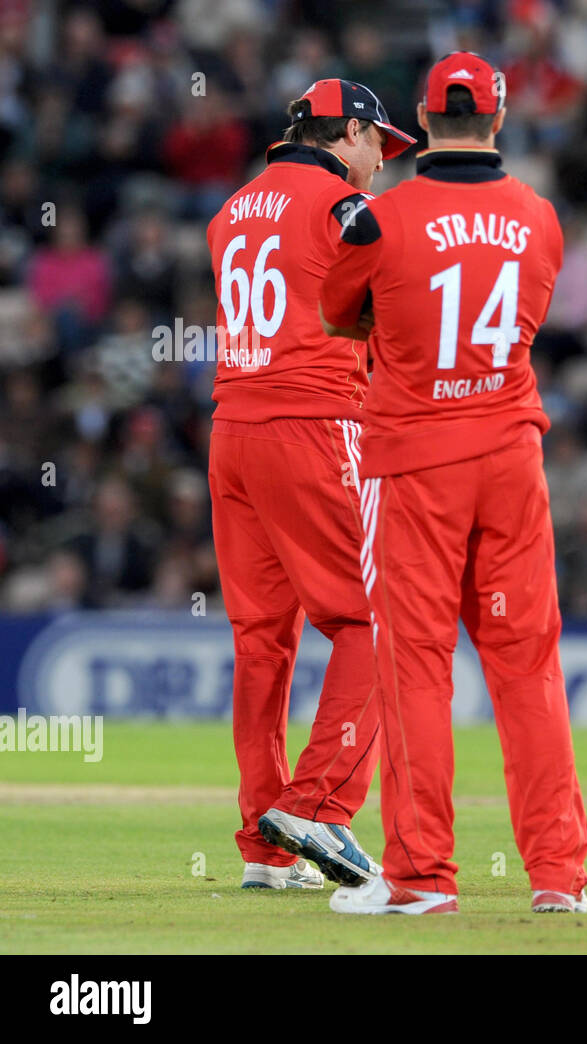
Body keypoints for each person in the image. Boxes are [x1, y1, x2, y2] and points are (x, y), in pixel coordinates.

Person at [320, 52, 587, 915]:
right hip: (510, 459)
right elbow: (528, 320)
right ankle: (558, 878)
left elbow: (336, 312)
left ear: (425, 119)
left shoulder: (377, 219)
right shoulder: (540, 218)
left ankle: (424, 878)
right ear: (499, 120)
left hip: (416, 465)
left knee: (417, 672)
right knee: (529, 670)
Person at [205, 79, 415, 890]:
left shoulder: (230, 209)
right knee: (377, 619)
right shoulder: (346, 211)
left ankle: (264, 850)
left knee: (262, 646)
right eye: (377, 147)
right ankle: (320, 805)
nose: (379, 165)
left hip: (233, 428)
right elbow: (381, 314)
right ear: (349, 133)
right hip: (316, 424)